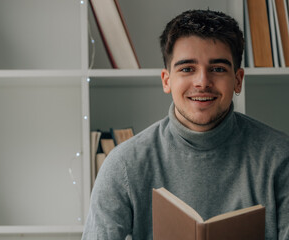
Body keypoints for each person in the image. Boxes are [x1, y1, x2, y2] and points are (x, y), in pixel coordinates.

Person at [82, 9, 289, 240]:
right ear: (167, 80)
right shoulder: (123, 166)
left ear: (238, 80)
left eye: (218, 69)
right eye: (187, 69)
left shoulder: (281, 158)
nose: (202, 82)